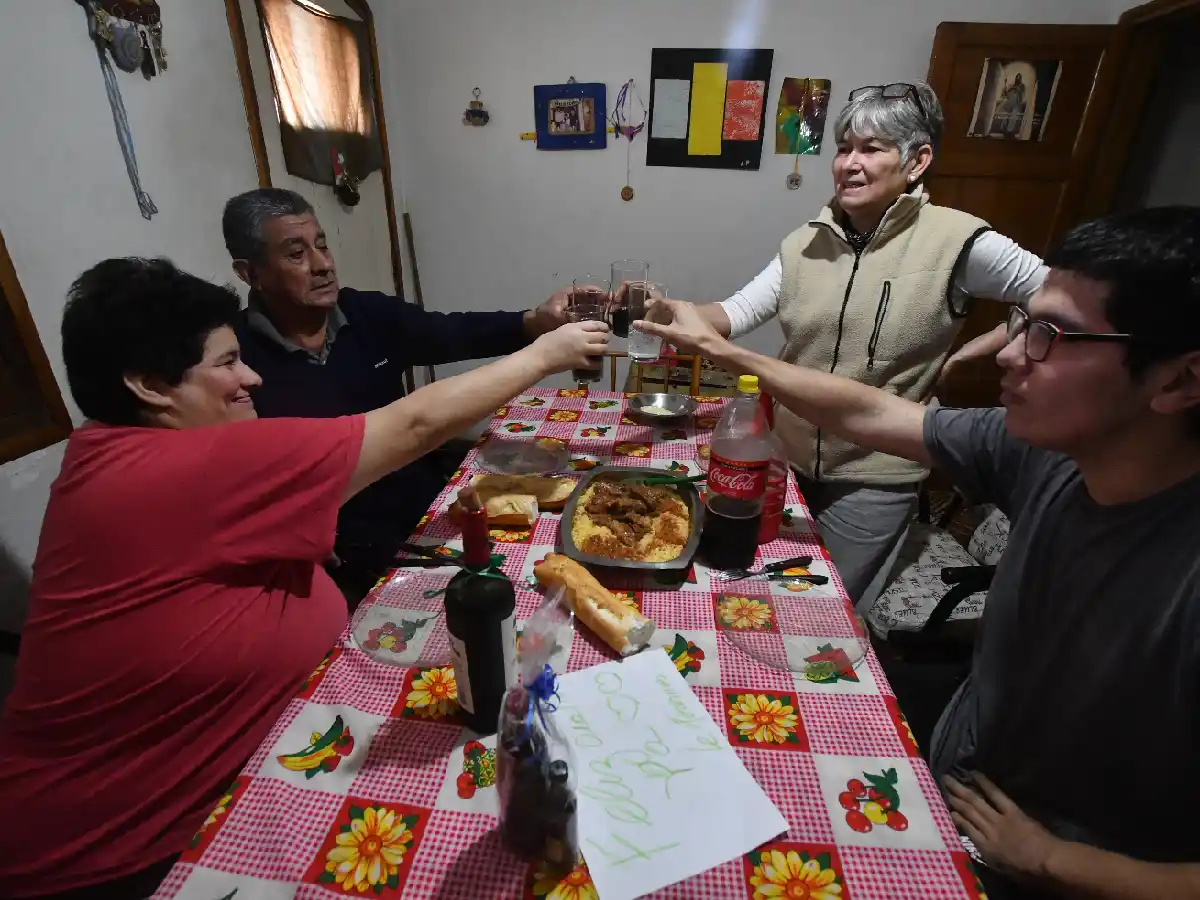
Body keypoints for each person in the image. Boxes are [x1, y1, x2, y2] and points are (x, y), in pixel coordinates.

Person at [636, 206, 1200, 899]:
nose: (1009, 352)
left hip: (1045, 859)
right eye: (1023, 323)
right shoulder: (1046, 452)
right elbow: (876, 414)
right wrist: (730, 355)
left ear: (1179, 382)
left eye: (1050, 335)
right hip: (960, 759)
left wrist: (1054, 860)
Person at [0, 258, 606, 899]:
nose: (252, 376)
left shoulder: (109, 449)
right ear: (150, 384)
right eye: (227, 362)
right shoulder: (175, 469)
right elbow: (415, 425)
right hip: (113, 858)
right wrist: (547, 353)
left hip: (246, 770)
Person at [691, 82, 1044, 610]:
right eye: (843, 148)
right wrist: (663, 311)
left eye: (871, 149)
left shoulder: (959, 241)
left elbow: (1055, 294)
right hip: (785, 459)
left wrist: (973, 353)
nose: (849, 164)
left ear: (917, 160)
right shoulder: (805, 240)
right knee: (754, 591)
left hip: (877, 473)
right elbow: (733, 314)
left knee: (816, 611)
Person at [223, 187, 571, 586]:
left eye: (322, 244)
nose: (323, 265)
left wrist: (534, 321)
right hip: (337, 548)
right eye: (296, 254)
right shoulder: (234, 361)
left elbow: (453, 331)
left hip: (426, 510)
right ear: (250, 273)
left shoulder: (365, 313)